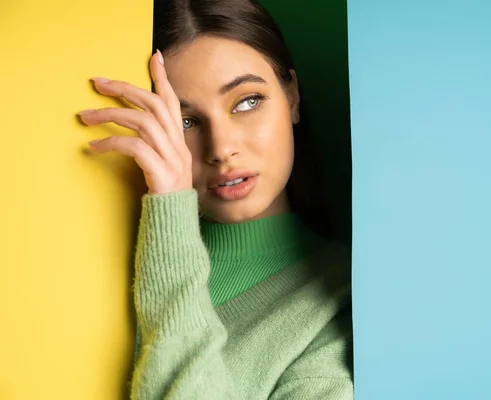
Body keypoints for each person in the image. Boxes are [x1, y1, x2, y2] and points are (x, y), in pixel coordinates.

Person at [77, 0, 352, 398]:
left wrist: (172, 214)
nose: (221, 149)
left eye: (246, 101)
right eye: (185, 121)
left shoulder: (342, 301)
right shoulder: (97, 262)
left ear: (291, 96)